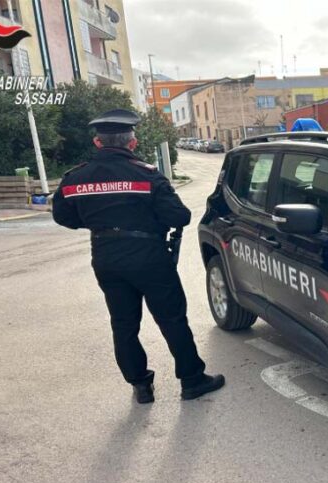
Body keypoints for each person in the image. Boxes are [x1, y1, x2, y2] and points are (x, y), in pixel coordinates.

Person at [52, 109, 224, 404]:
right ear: (131, 143)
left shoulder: (75, 178)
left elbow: (63, 217)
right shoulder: (147, 175)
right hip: (149, 256)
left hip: (105, 256)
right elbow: (179, 216)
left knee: (123, 322)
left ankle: (141, 385)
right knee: (172, 319)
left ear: (97, 143)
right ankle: (192, 380)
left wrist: (99, 222)